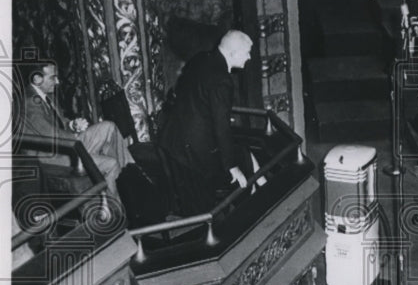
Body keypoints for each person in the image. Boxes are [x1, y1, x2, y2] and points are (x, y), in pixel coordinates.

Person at [159, 30, 255, 214]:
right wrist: (232, 167)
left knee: (244, 155)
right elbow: (222, 128)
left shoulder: (201, 58)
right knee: (203, 213)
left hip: (173, 139)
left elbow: (193, 97)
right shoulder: (222, 80)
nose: (249, 57)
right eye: (247, 52)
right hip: (193, 154)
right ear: (233, 53)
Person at [20, 62, 136, 203]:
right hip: (50, 156)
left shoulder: (46, 96)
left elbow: (59, 123)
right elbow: (50, 134)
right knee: (111, 164)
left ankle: (131, 169)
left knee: (108, 126)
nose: (57, 82)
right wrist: (75, 137)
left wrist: (72, 124)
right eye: (53, 77)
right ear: (37, 79)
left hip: (63, 145)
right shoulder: (30, 102)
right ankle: (114, 209)